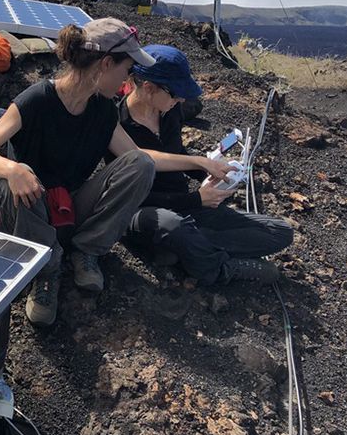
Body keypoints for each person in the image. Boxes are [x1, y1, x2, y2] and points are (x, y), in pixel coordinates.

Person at [0, 19, 234, 326]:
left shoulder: (103, 109)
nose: (129, 77)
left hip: (71, 205)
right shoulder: (37, 99)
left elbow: (140, 157)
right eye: (127, 68)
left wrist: (199, 162)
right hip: (33, 210)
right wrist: (12, 168)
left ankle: (86, 250)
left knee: (140, 165)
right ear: (106, 64)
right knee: (16, 179)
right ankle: (46, 269)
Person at [117, 44, 294, 284]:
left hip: (184, 207)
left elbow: (176, 152)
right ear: (148, 88)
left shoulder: (169, 111)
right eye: (175, 93)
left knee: (280, 232)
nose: (180, 99)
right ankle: (219, 270)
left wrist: (209, 174)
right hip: (143, 212)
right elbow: (134, 193)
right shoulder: (118, 126)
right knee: (171, 224)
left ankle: (184, 249)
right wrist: (197, 199)